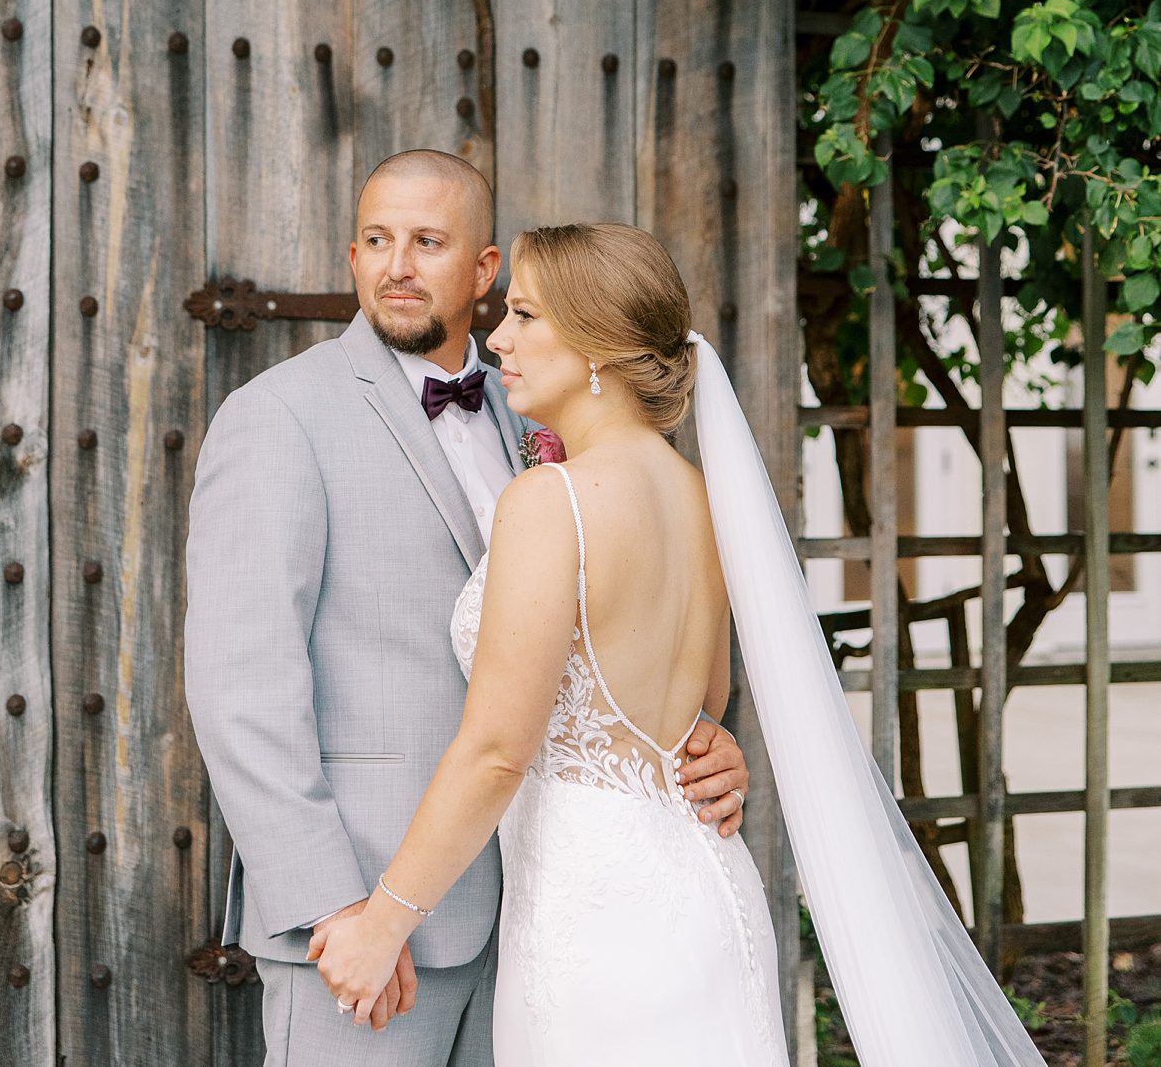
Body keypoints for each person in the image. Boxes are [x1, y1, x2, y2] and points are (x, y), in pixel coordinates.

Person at [311, 223, 1051, 1067]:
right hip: (706, 896)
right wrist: (714, 754)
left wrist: (386, 920)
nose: (497, 338)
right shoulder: (702, 499)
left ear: (597, 344)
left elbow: (495, 750)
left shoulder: (551, 501)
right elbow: (703, 709)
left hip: (595, 926)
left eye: (524, 315)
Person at [183, 159, 752, 1066]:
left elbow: (606, 648)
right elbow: (239, 687)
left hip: (548, 902)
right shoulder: (278, 419)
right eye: (375, 240)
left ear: (485, 270)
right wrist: (336, 905)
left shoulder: (537, 414)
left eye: (427, 242)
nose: (395, 266)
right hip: (373, 920)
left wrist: (695, 740)